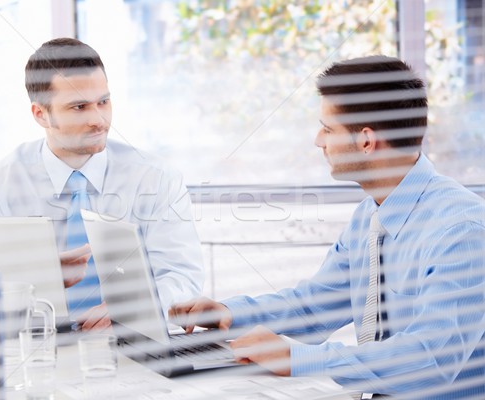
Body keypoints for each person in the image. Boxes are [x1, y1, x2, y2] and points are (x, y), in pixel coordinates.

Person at [169, 56, 485, 398]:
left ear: (366, 141)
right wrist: (227, 313)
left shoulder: (462, 231)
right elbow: (314, 307)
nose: (318, 140)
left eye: (328, 129)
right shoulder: (370, 216)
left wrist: (301, 359)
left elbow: (432, 359)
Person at [0, 38, 204, 330]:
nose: (99, 120)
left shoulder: (156, 178)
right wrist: (42, 279)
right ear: (41, 114)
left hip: (134, 344)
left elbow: (181, 276)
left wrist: (133, 309)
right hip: (36, 343)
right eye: (79, 107)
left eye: (103, 101)